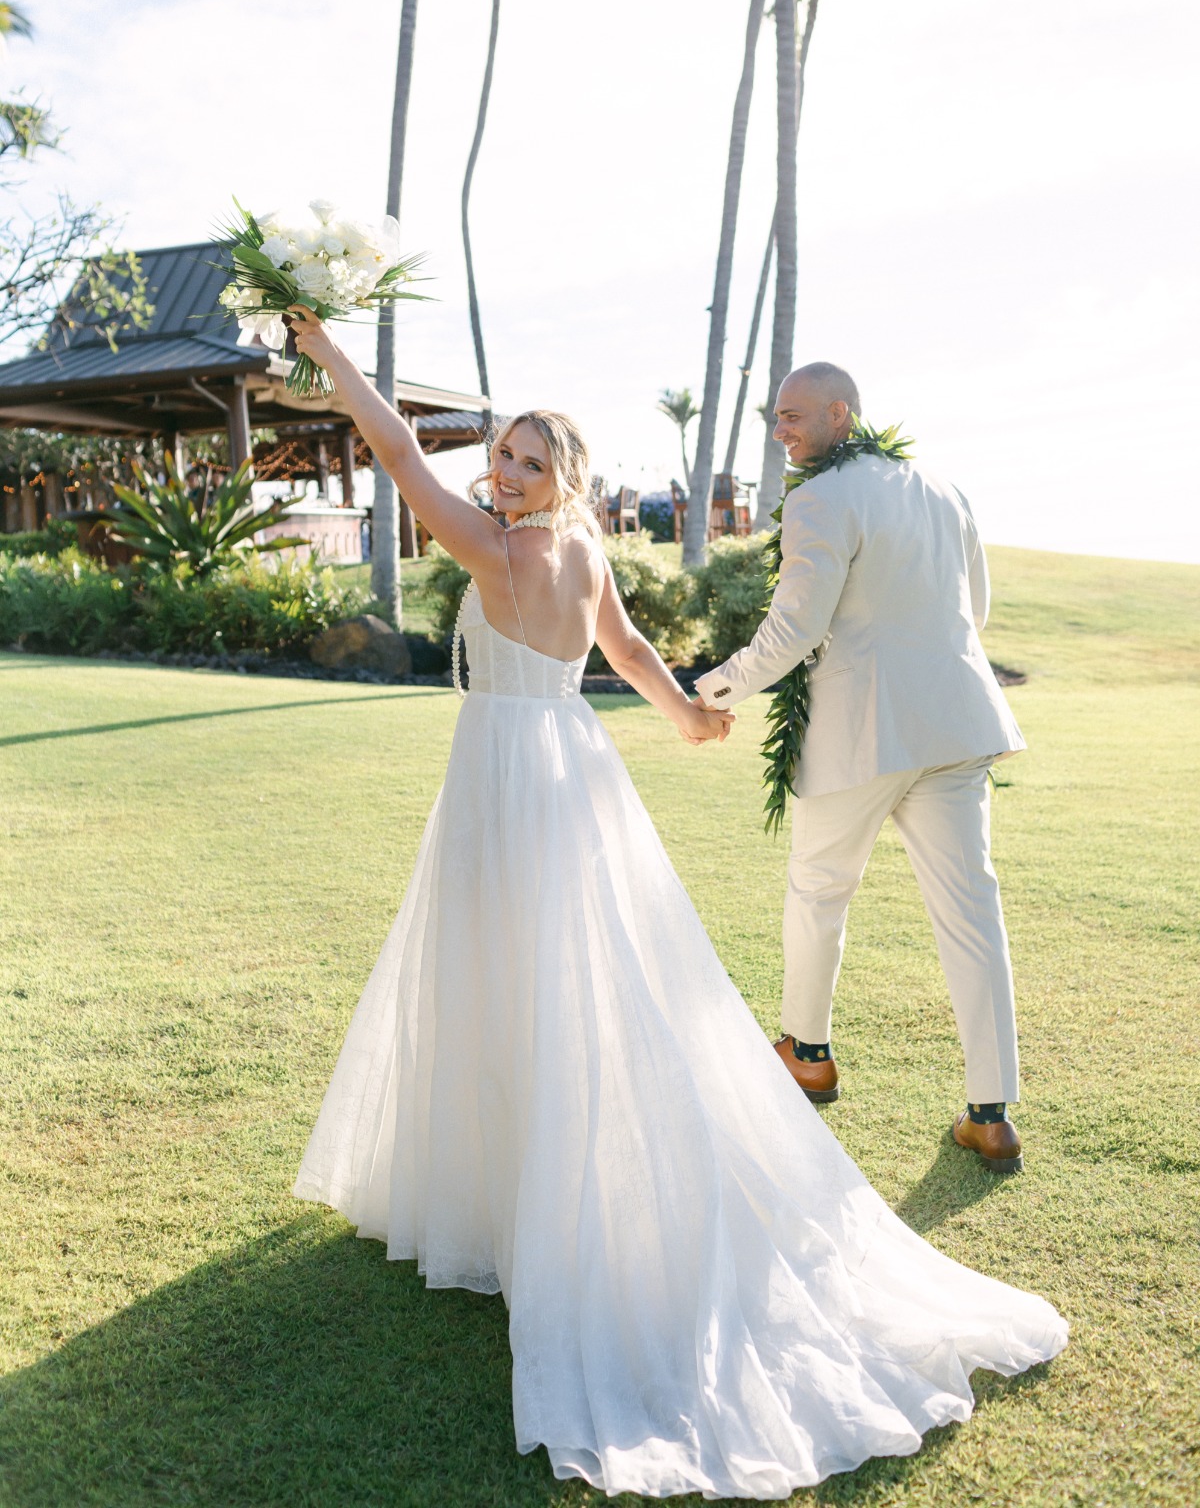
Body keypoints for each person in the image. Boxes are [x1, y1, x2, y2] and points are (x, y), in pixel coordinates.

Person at [287, 310, 1066, 1499]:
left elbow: (396, 456)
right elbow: (632, 650)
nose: (500, 473)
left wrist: (335, 361)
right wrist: (692, 717)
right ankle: (521, 1189)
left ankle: (536, 1206)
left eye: (526, 462)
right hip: (571, 767)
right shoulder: (582, 553)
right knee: (561, 971)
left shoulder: (500, 550)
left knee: (511, 969)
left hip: (507, 774)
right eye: (498, 453)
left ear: (565, 483)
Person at [696, 363, 1027, 1173]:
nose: (781, 429)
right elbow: (972, 613)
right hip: (956, 722)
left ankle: (808, 1054)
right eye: (775, 417)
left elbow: (794, 626)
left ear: (843, 414)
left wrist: (710, 690)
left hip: (861, 733)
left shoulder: (819, 498)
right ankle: (991, 1113)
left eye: (795, 415)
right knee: (971, 911)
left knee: (818, 892)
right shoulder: (943, 487)